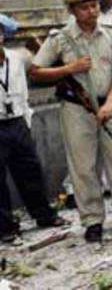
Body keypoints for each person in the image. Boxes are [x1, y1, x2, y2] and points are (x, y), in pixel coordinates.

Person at [30, 0, 112, 243]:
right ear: (72, 11)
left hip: (110, 104)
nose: (92, 11)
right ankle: (93, 219)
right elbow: (36, 71)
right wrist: (69, 68)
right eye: (85, 8)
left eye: (94, 5)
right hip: (76, 109)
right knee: (83, 165)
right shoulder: (60, 39)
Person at [0, 17, 67, 243]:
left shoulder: (17, 57)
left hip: (18, 121)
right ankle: (6, 227)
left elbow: (41, 65)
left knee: (30, 169)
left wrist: (44, 44)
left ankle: (44, 215)